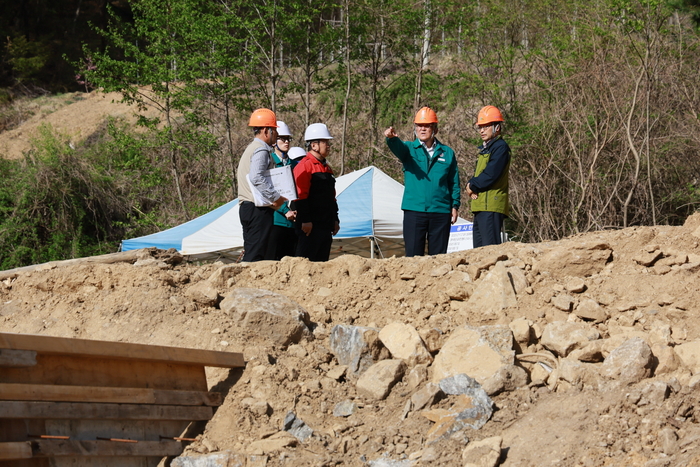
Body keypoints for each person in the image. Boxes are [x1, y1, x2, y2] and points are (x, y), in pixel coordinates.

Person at [384, 107, 461, 257]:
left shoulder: (448, 153)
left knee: (438, 258)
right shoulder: (409, 149)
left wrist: (455, 205)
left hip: (440, 211)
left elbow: (454, 181)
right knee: (412, 257)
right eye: (419, 125)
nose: (422, 129)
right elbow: (397, 147)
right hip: (415, 210)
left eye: (426, 126)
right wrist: (391, 139)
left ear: (435, 129)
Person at [237, 108, 286, 262]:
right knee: (256, 256)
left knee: (254, 251)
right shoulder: (261, 150)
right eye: (274, 131)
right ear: (266, 131)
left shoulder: (252, 148)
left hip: (249, 208)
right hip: (256, 210)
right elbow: (256, 177)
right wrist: (276, 197)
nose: (277, 135)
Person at [293, 123, 340, 262]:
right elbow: (300, 196)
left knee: (322, 265)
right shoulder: (304, 166)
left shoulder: (327, 168)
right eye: (325, 142)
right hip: (310, 227)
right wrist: (306, 221)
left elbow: (331, 198)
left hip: (325, 226)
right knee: (305, 264)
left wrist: (335, 219)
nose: (328, 145)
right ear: (314, 145)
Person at [467, 105, 511, 248]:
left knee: (490, 251)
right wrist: (472, 185)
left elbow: (490, 175)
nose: (481, 130)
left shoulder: (500, 147)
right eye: (480, 127)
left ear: (497, 127)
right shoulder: (486, 149)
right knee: (479, 252)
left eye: (486, 126)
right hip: (481, 205)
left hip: (491, 206)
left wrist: (471, 185)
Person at [265, 121, 298, 260]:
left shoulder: (294, 164)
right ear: (274, 141)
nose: (286, 142)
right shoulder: (268, 161)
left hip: (293, 222)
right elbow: (268, 190)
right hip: (275, 221)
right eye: (282, 138)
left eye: (288, 139)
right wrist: (285, 210)